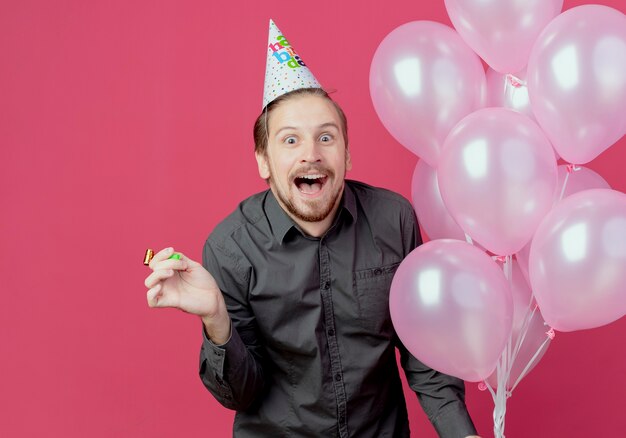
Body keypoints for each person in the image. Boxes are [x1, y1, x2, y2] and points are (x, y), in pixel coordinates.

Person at [144, 20, 480, 438]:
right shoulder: (231, 247)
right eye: (290, 141)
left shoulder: (393, 220)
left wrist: (463, 434)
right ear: (263, 162)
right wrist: (216, 319)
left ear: (347, 153)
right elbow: (241, 395)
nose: (311, 155)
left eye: (326, 137)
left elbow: (424, 353)